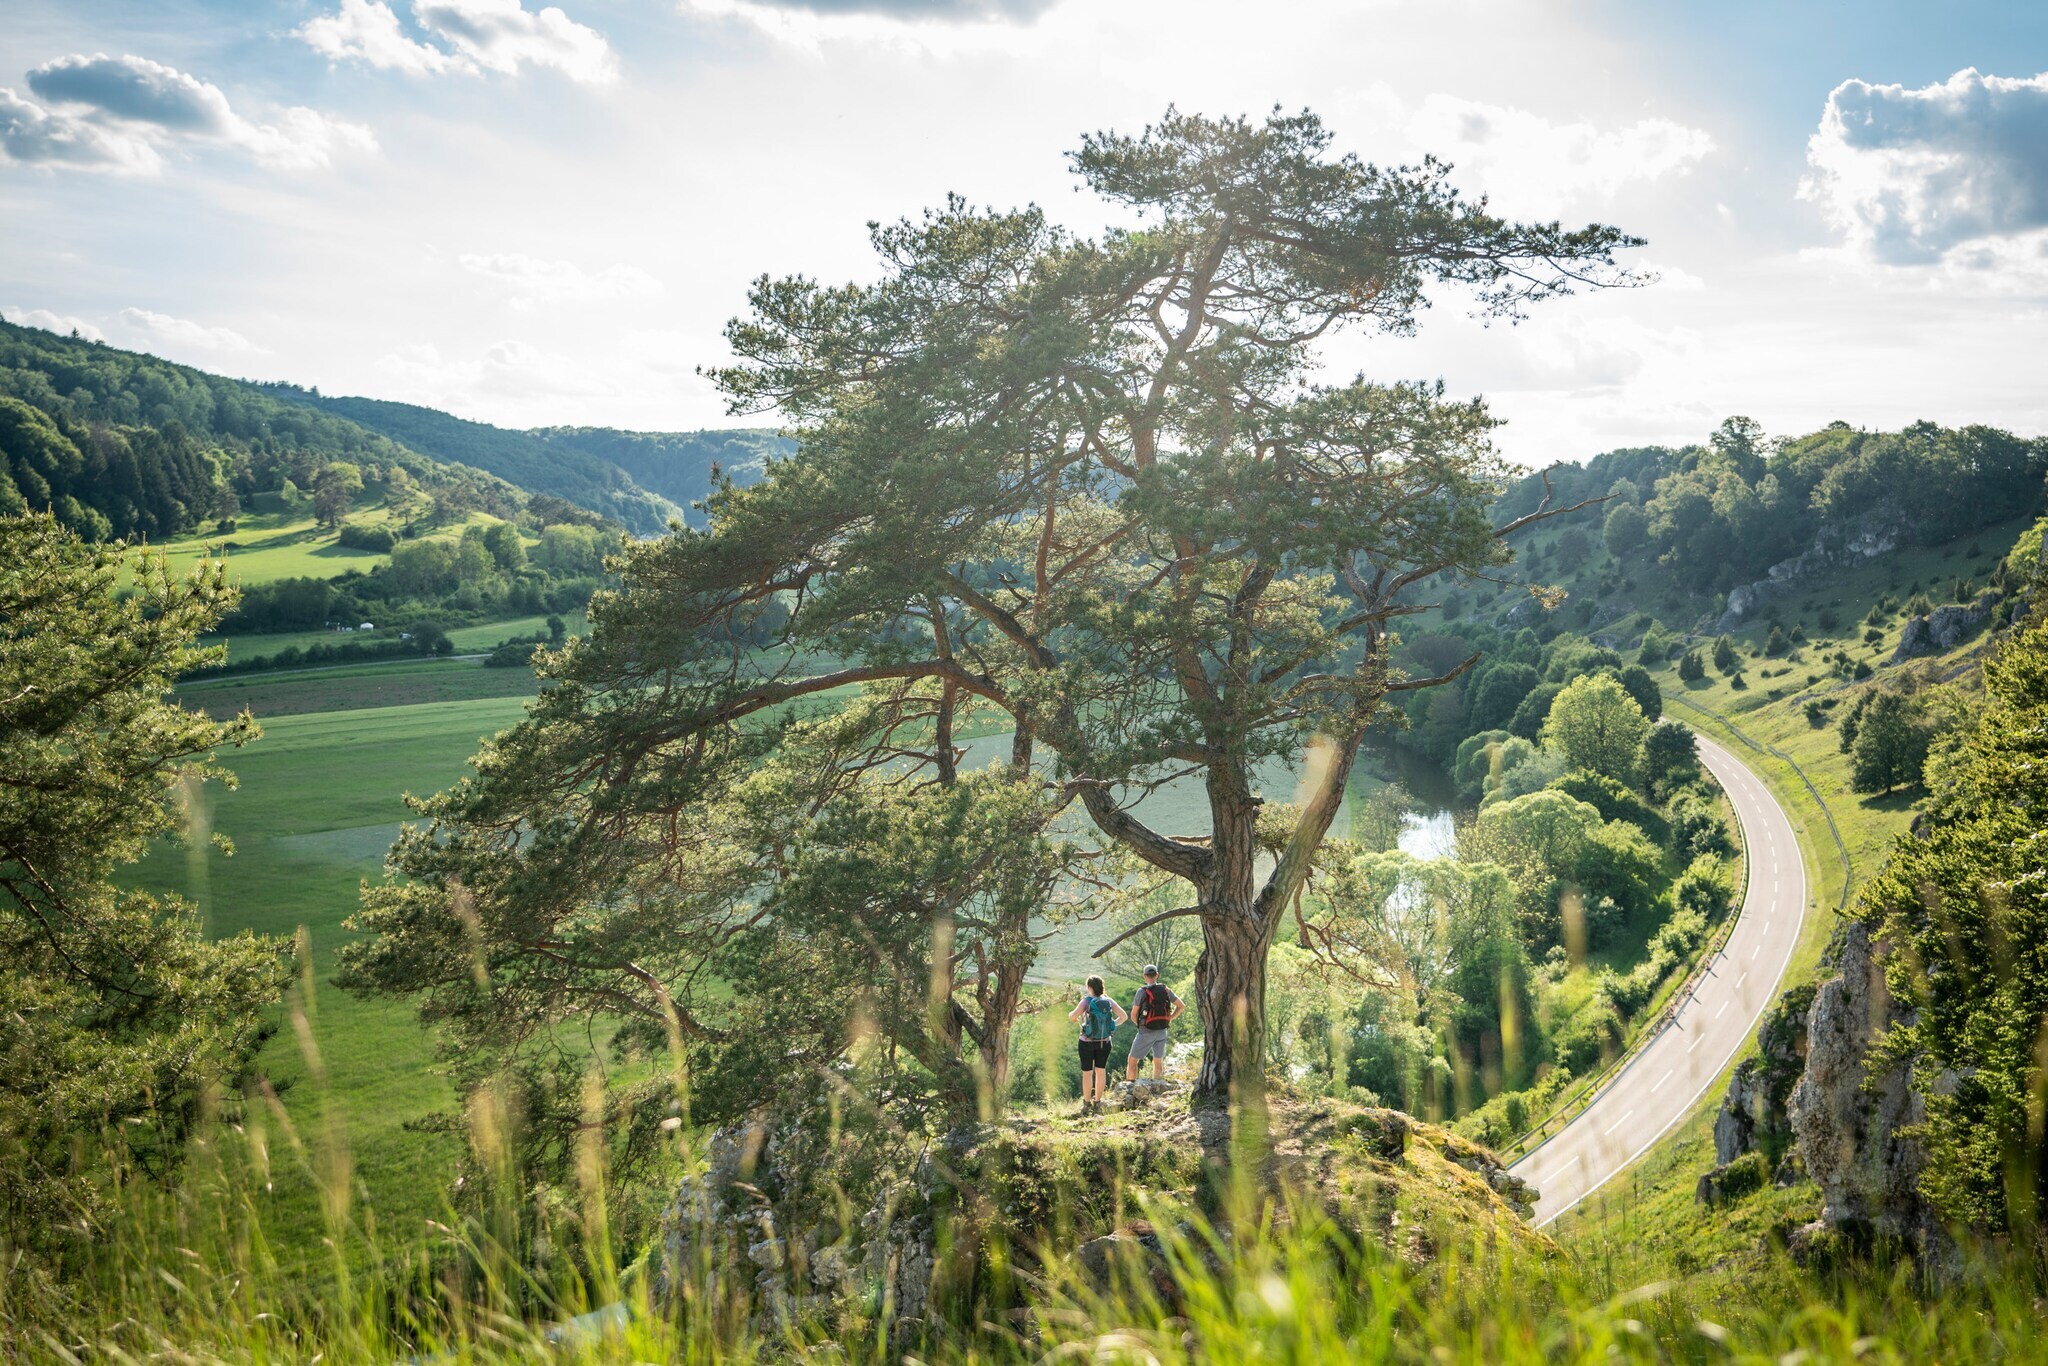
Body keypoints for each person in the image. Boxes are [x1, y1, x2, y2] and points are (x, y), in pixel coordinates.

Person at [1068, 975, 1125, 1109]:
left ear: (1090, 988)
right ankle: (1098, 1102)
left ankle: (1086, 1103)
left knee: (1087, 1073)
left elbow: (1073, 1016)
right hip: (1104, 1042)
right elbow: (1124, 1016)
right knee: (1101, 1071)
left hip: (1086, 1042)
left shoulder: (1086, 1002)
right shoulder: (1109, 1001)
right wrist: (1111, 1026)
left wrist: (1071, 1015)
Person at [1125, 964, 1183, 1083]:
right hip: (1162, 1031)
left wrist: (1141, 1025)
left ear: (1144, 976)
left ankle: (1130, 1087)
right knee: (1158, 1061)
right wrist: (1169, 1018)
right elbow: (1181, 1006)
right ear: (1157, 974)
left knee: (1132, 1060)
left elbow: (1133, 1014)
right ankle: (1157, 1085)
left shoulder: (1141, 992)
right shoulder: (1166, 990)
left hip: (1146, 1031)